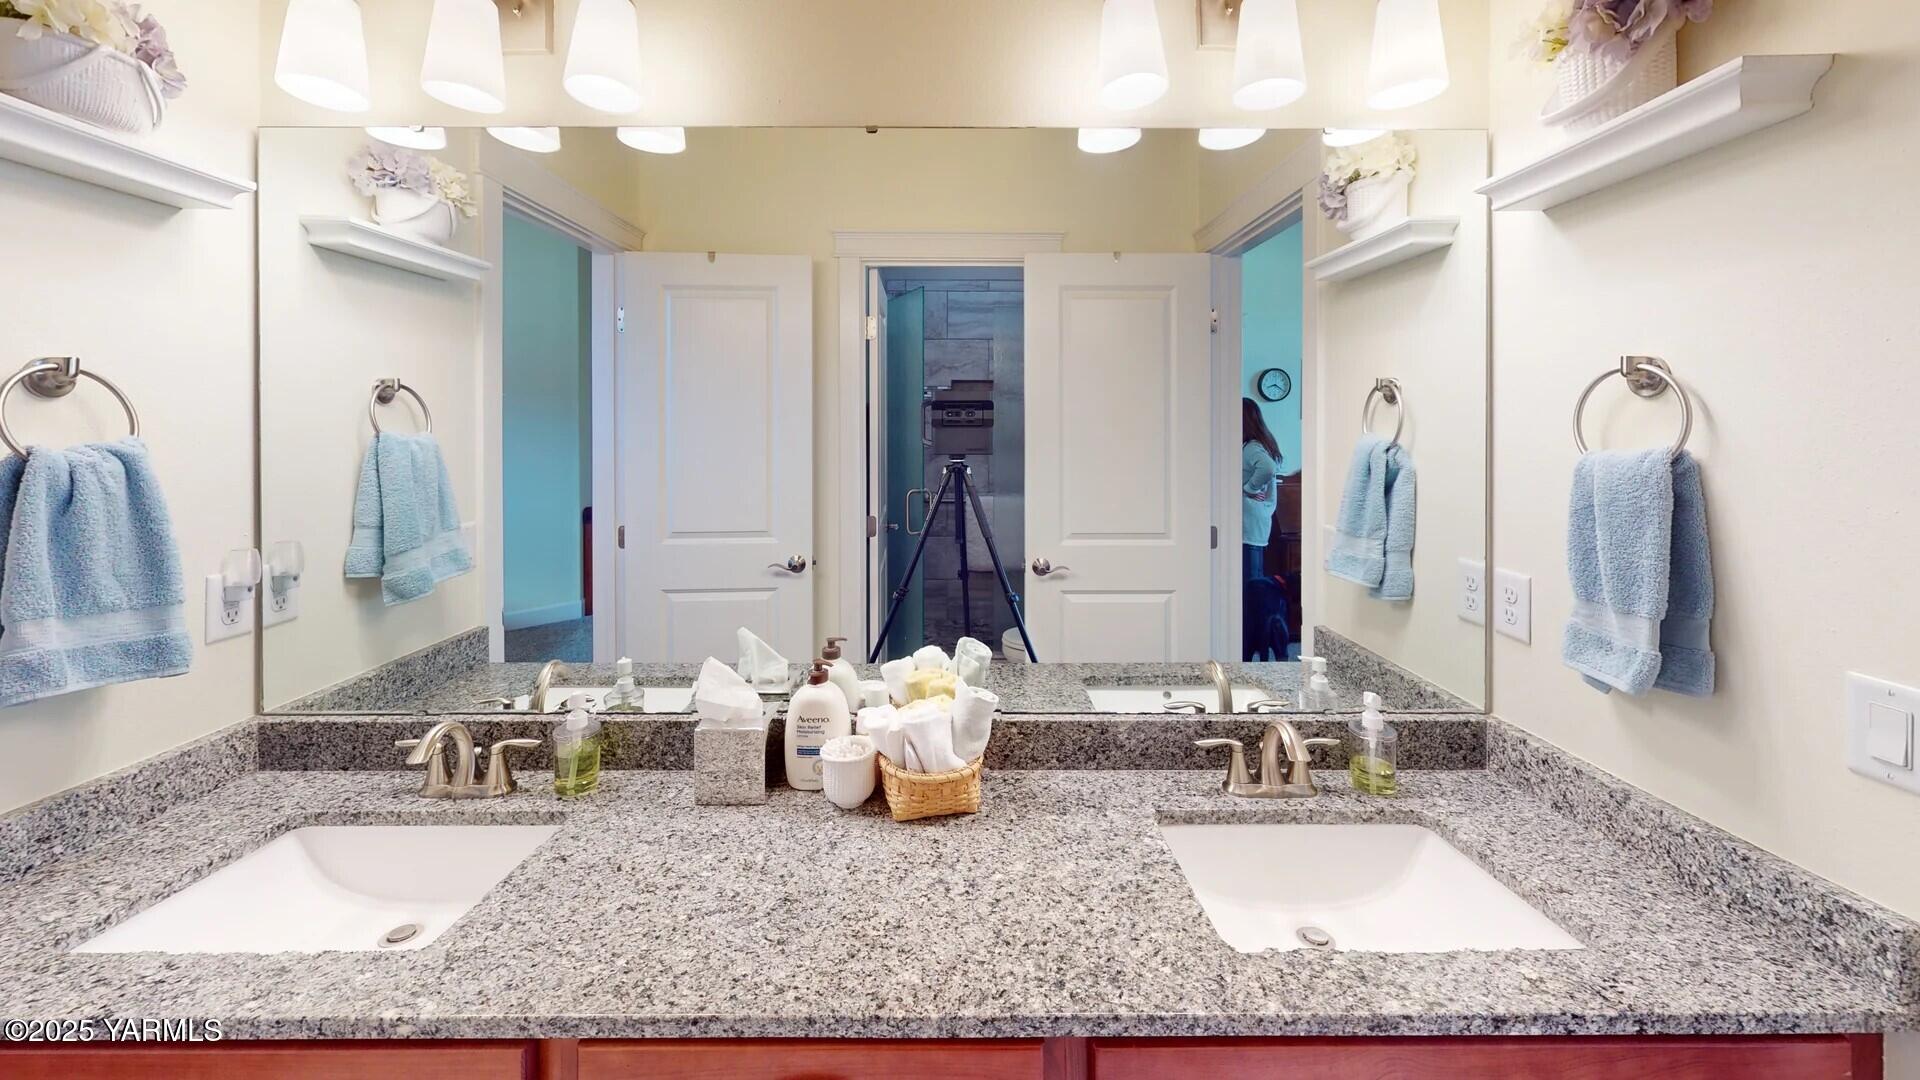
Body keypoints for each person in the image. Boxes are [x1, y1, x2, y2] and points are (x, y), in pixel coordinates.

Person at [1242, 397, 1282, 582]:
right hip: (1255, 521)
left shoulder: (1251, 447)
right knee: (1252, 580)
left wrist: (1249, 488)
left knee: (1252, 583)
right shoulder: (1256, 445)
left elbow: (1267, 467)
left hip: (1250, 521)